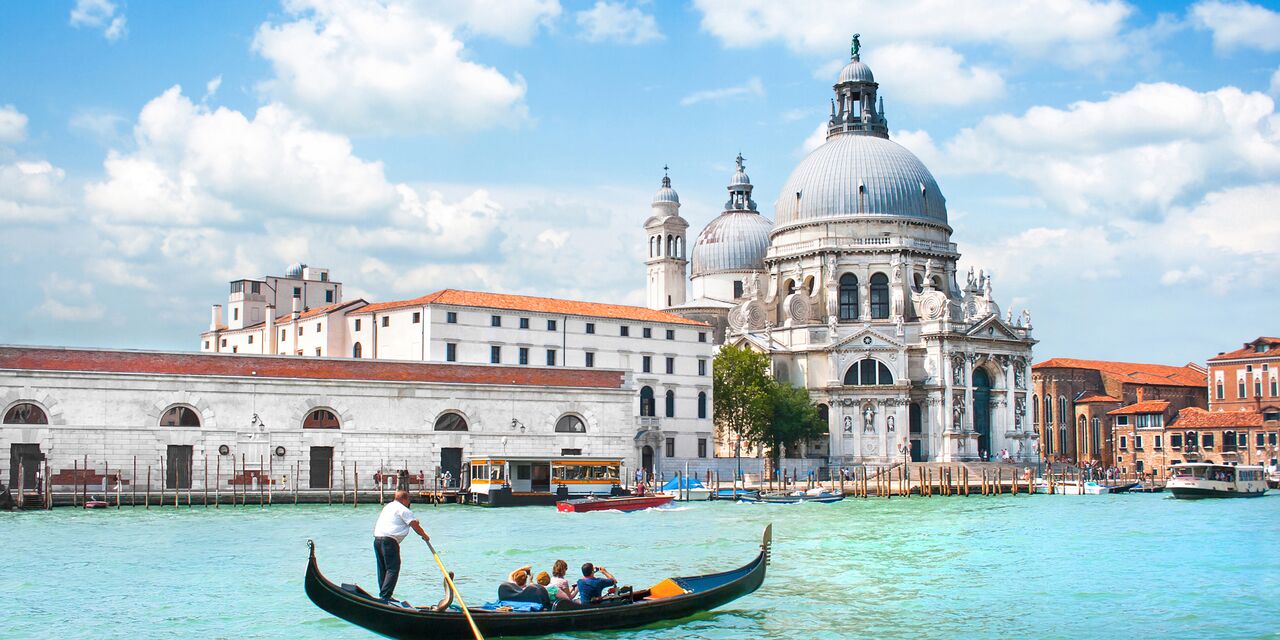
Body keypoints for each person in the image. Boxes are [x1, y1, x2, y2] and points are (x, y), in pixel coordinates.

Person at [373, 489, 430, 602]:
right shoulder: (404, 510)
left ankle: (383, 594)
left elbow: (400, 521)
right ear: (405, 500)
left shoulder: (388, 507)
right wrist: (425, 536)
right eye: (408, 500)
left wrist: (414, 522)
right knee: (393, 568)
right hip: (389, 541)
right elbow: (415, 526)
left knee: (382, 568)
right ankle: (385, 596)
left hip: (377, 540)